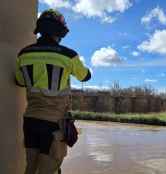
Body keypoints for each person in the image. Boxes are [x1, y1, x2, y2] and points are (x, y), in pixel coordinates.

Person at [15, 9, 91, 174]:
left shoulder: (23, 54)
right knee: (49, 169)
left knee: (30, 167)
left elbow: (18, 81)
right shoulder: (68, 55)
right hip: (53, 124)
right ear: (60, 31)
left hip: (30, 121)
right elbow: (85, 76)